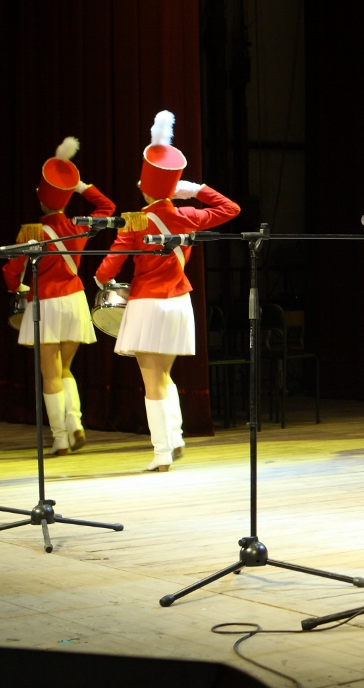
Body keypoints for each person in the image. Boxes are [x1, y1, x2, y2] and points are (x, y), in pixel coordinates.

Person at [95, 111, 240, 472]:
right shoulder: (188, 215)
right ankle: (173, 438)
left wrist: (99, 279)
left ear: (145, 187)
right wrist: (197, 189)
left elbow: (110, 266)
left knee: (152, 379)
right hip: (179, 302)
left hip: (148, 302)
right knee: (164, 375)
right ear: (174, 187)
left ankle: (162, 452)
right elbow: (231, 208)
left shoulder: (135, 221)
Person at [1, 138, 114, 455]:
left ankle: (61, 439)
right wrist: (80, 187)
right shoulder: (79, 227)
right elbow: (108, 209)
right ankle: (75, 423)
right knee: (65, 369)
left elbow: (12, 271)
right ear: (65, 199)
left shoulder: (31, 232)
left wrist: (16, 288)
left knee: (50, 374)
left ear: (41, 198)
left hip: (46, 304)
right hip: (75, 300)